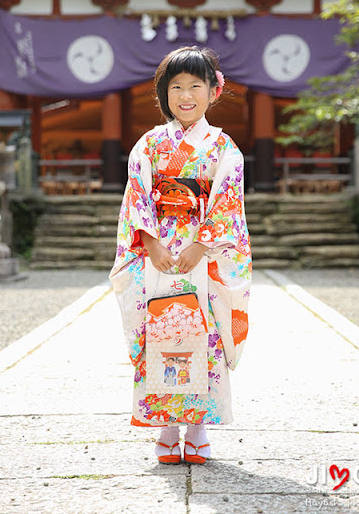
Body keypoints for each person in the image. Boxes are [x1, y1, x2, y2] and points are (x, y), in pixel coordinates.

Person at [109, 45, 252, 465]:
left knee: (204, 335)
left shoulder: (223, 147)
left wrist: (200, 244)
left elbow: (228, 200)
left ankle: (199, 428)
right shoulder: (149, 144)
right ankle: (167, 428)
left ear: (213, 91)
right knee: (160, 334)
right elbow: (136, 194)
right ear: (162, 93)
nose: (185, 95)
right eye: (175, 86)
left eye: (195, 85)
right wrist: (150, 242)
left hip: (203, 253)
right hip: (156, 250)